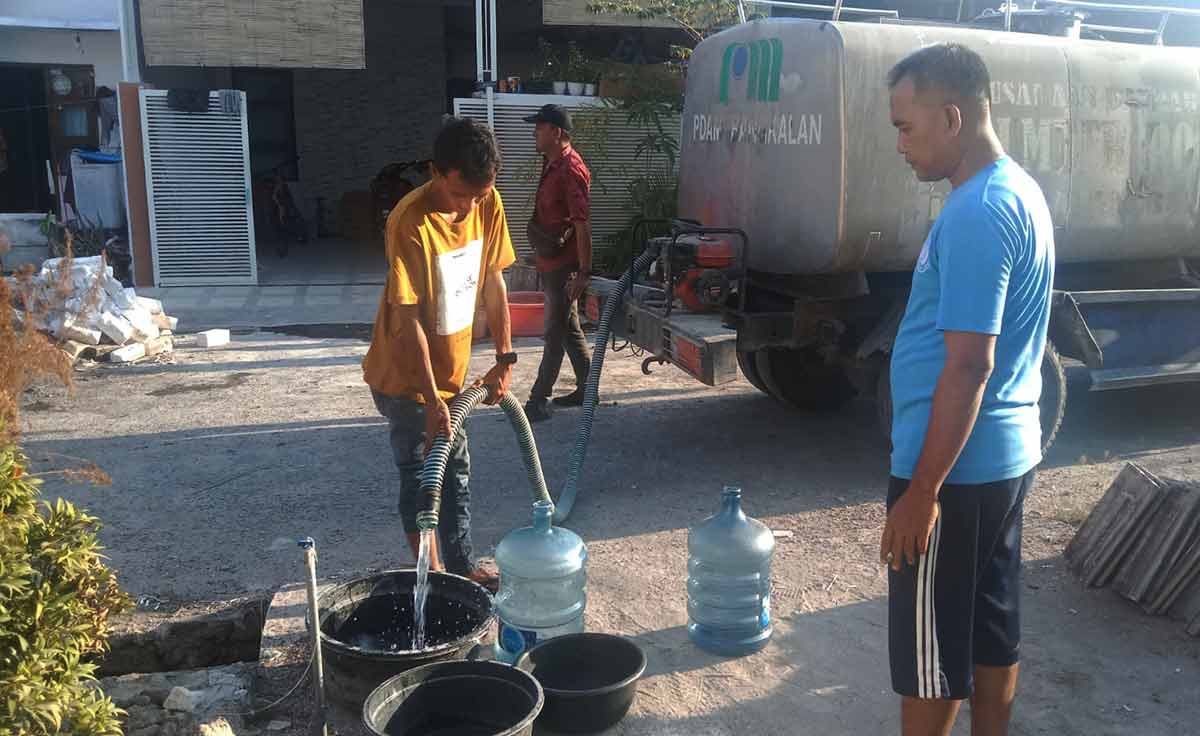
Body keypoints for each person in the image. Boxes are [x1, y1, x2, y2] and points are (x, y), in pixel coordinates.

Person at [880, 44, 1055, 736]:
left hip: (953, 474)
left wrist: (922, 491)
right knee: (989, 625)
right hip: (1002, 460)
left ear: (952, 116)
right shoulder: (1019, 190)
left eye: (905, 126)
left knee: (931, 654)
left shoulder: (979, 211)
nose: (899, 144)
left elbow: (969, 365)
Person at [362, 117, 517, 591]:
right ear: (437, 172)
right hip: (406, 377)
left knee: (457, 469)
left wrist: (504, 359)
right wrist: (431, 400)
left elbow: (493, 279)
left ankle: (463, 565)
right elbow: (408, 319)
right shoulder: (409, 222)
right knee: (421, 473)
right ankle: (434, 581)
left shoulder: (485, 200)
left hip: (451, 375)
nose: (469, 205)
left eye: (478, 195)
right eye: (460, 195)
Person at [521, 104, 593, 422]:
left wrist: (583, 272)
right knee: (568, 330)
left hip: (564, 267)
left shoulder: (570, 169)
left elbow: (582, 225)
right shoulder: (551, 163)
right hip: (551, 263)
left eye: (539, 127)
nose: (534, 132)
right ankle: (588, 390)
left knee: (554, 333)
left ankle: (538, 400)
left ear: (557, 132)